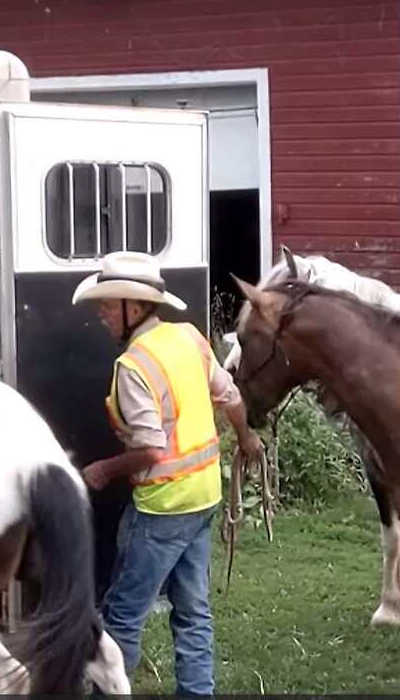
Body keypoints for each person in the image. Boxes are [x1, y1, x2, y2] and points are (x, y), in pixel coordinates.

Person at [71, 251, 263, 697]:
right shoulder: (190, 338)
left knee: (122, 615)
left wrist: (104, 469)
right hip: (203, 498)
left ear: (133, 308)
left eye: (108, 302)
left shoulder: (133, 367)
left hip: (161, 509)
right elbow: (229, 395)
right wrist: (247, 438)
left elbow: (151, 450)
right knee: (193, 611)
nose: (100, 312)